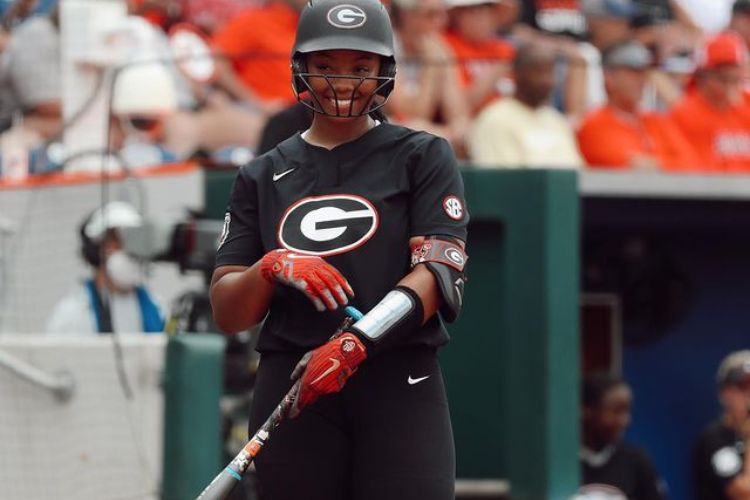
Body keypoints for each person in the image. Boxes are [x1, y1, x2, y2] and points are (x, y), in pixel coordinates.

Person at [209, 1, 469, 498]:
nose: (343, 82)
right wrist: (270, 267)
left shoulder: (423, 155)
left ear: (384, 72)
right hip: (293, 388)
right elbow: (227, 311)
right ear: (299, 68)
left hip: (398, 378)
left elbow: (438, 270)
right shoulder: (260, 174)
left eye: (360, 67)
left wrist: (357, 343)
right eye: (325, 66)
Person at [576, 39, 699, 170]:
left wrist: (655, 165)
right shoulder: (594, 124)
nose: (642, 79)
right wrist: (668, 164)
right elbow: (629, 168)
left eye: (644, 72)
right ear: (609, 76)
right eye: (633, 72)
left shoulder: (656, 121)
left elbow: (692, 164)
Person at [46, 201, 164, 334]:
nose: (128, 249)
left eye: (132, 240)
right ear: (96, 249)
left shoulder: (157, 309)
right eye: (116, 240)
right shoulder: (71, 315)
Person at [468, 41, 584, 168]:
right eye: (538, 72)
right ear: (517, 74)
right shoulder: (495, 119)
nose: (546, 81)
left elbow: (577, 173)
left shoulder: (556, 121)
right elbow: (501, 181)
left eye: (550, 73)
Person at [577, 372, 667, 500]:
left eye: (627, 411)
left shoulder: (636, 461)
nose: (625, 421)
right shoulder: (561, 462)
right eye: (616, 411)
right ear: (587, 411)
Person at [669, 31, 750, 171]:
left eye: (735, 80)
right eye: (723, 79)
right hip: (710, 190)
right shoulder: (684, 114)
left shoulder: (747, 104)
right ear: (702, 76)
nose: (730, 87)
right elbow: (689, 169)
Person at [693, 350, 750, 500]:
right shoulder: (714, 439)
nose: (749, 395)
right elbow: (744, 494)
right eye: (743, 387)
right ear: (725, 393)